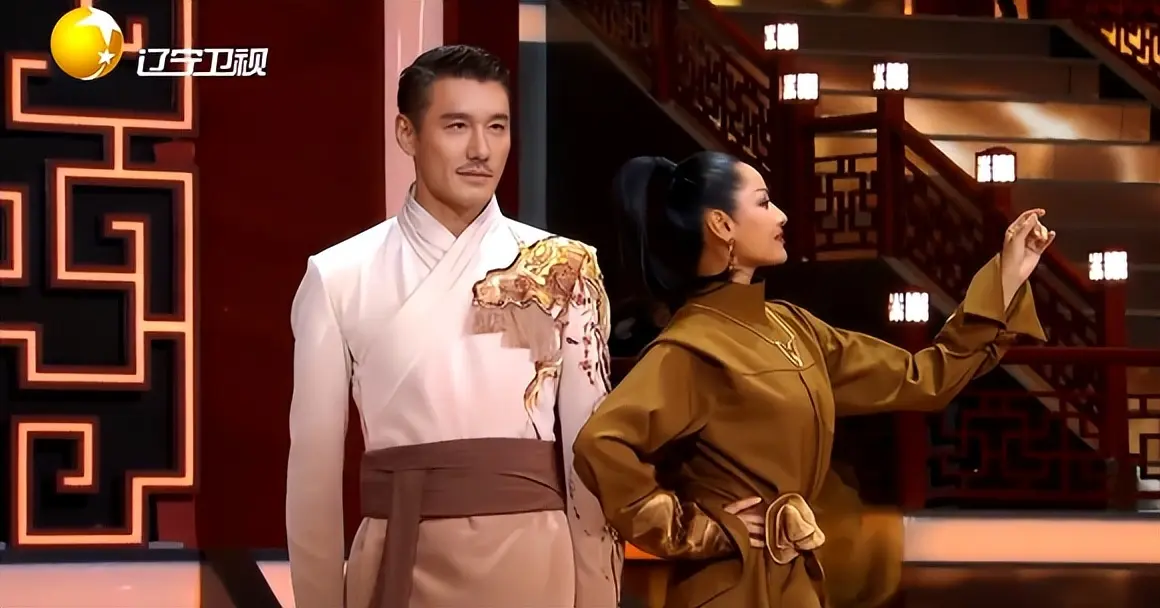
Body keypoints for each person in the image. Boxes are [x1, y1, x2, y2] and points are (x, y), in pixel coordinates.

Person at [572, 152, 1052, 608]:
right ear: (722, 225)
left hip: (796, 579)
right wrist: (696, 530)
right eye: (764, 203)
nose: (781, 215)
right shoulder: (691, 349)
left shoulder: (793, 327)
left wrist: (1007, 278)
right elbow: (602, 443)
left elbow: (922, 378)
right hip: (731, 586)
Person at [286, 45, 622, 608]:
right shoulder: (338, 274)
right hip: (399, 556)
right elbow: (313, 478)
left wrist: (598, 597)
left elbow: (588, 459)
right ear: (407, 133)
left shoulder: (563, 267)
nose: (481, 150)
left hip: (535, 565)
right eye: (457, 126)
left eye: (497, 127)